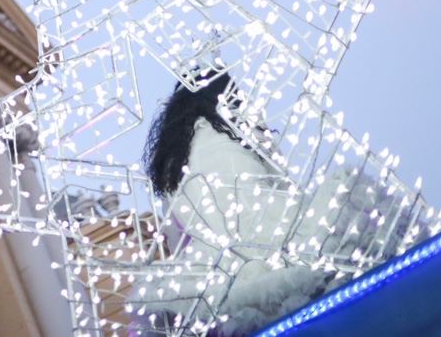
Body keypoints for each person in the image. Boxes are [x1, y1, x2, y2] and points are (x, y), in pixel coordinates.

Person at [132, 73, 333, 336]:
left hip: (213, 274)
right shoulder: (236, 131)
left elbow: (176, 237)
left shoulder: (172, 165)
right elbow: (278, 186)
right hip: (269, 243)